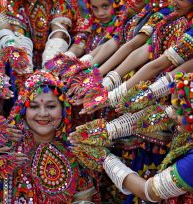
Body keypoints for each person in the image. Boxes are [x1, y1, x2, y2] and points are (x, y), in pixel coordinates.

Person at [0, 70, 100, 203]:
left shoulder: (76, 154)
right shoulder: (4, 151)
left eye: (51, 106)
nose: (43, 113)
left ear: (63, 110)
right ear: (23, 111)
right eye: (34, 106)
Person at [69, 71, 193, 203]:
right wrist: (107, 130)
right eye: (174, 107)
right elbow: (162, 115)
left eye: (180, 111)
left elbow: (150, 191)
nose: (173, 115)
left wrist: (105, 159)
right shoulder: (186, 117)